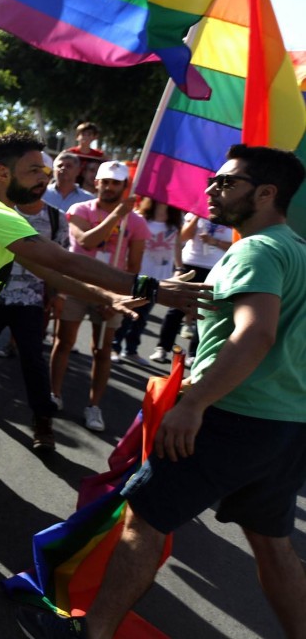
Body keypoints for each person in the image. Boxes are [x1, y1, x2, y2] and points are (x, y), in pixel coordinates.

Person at [17, 145, 306, 639]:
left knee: (143, 521)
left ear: (265, 193)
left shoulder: (256, 248)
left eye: (226, 183)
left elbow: (256, 334)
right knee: (273, 544)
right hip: (285, 424)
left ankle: (94, 633)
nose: (211, 189)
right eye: (213, 180)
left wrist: (194, 402)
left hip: (230, 415)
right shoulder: (295, 248)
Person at [0, 134, 208, 440]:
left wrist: (108, 296)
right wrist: (150, 288)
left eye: (44, 171)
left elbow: (48, 271)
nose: (43, 178)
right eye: (33, 170)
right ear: (2, 172)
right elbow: (65, 261)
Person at [0, 179, 70, 450]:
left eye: (40, 177)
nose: (35, 184)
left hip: (30, 301)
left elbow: (61, 259)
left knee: (33, 361)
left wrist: (58, 294)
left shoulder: (56, 218)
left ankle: (43, 422)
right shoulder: (1, 210)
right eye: (30, 176)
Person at [49, 160, 150, 432]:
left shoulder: (138, 223)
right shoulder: (79, 209)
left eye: (115, 183)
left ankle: (94, 406)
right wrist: (117, 215)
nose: (109, 187)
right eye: (105, 181)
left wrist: (117, 298)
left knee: (103, 350)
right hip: (76, 287)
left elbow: (134, 265)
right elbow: (86, 242)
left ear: (124, 186)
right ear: (97, 183)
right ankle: (54, 394)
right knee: (64, 341)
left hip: (111, 294)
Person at [149, 213, 233, 364]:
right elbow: (182, 237)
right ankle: (162, 348)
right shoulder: (196, 213)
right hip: (191, 264)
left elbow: (237, 245)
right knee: (176, 309)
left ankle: (194, 353)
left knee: (205, 312)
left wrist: (215, 241)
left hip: (215, 269)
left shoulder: (233, 217)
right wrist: (197, 216)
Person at [111, 198, 184, 365]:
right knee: (128, 314)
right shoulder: (141, 218)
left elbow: (177, 246)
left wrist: (179, 268)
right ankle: (114, 347)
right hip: (140, 274)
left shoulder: (174, 223)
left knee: (143, 316)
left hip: (160, 277)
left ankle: (131, 350)